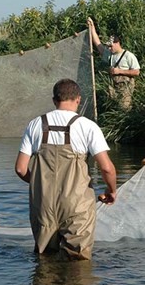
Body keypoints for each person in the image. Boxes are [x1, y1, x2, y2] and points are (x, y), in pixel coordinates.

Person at [15, 78, 117, 260]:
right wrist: (112, 190)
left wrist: (41, 184)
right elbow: (107, 168)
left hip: (43, 204)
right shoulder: (87, 126)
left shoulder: (35, 124)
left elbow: (21, 169)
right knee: (78, 262)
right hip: (77, 204)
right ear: (78, 99)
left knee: (45, 261)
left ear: (54, 100)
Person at [87, 17, 141, 110]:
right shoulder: (109, 54)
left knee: (124, 107)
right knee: (113, 107)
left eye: (111, 46)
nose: (109, 48)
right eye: (108, 46)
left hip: (126, 86)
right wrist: (92, 26)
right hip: (113, 85)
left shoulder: (128, 55)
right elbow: (97, 42)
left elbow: (136, 72)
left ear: (117, 43)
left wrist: (119, 71)